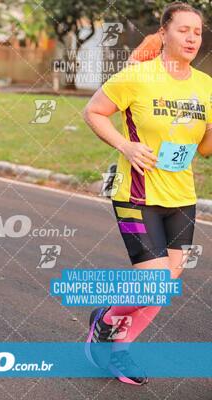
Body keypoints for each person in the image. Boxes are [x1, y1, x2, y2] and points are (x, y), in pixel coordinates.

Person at [83, 2, 212, 386]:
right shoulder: (137, 76)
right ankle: (105, 319)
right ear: (164, 34)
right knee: (152, 283)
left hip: (181, 196)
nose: (192, 38)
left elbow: (205, 148)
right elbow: (93, 112)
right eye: (184, 30)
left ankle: (120, 350)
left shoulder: (205, 85)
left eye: (198, 32)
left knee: (165, 285)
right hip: (137, 194)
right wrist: (125, 146)